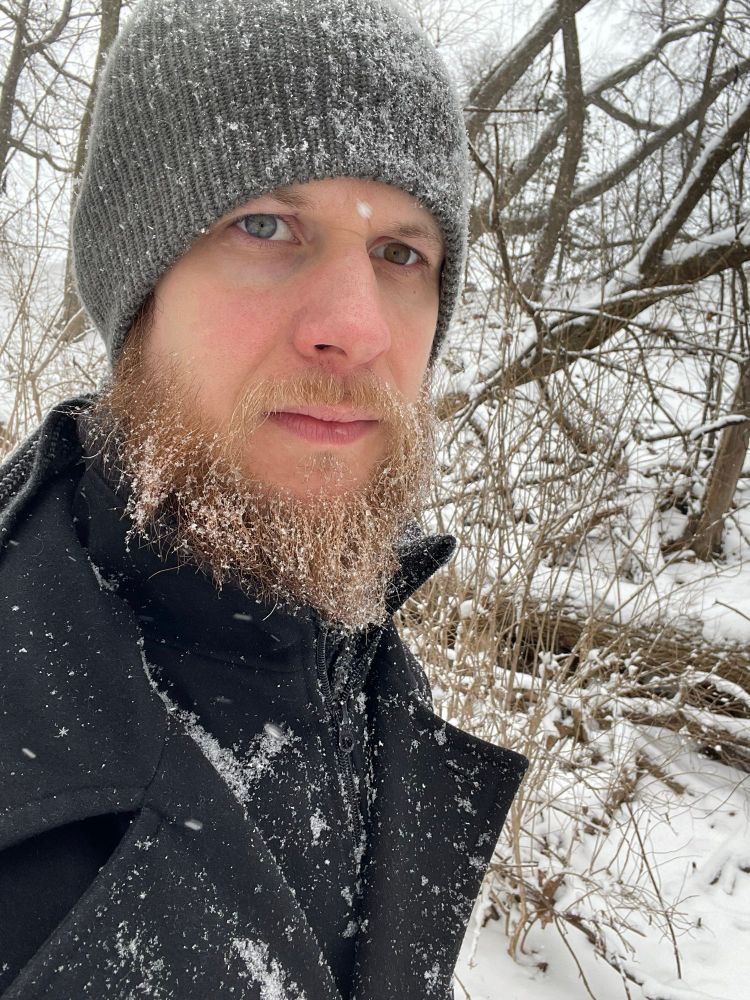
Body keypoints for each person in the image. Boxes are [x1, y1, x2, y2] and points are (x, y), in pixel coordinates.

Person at [0, 0, 528, 997]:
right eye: (268, 224)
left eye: (401, 252)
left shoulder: (364, 673)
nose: (357, 327)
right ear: (138, 286)